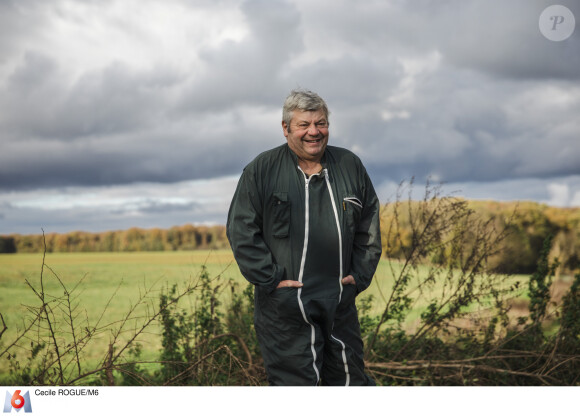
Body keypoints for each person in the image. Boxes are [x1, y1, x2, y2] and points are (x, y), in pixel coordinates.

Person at [226, 89, 382, 386]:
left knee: (351, 382)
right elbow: (241, 229)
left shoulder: (349, 165)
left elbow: (369, 226)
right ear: (286, 129)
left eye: (321, 123)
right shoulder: (263, 169)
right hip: (286, 308)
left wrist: (359, 276)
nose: (314, 132)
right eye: (304, 125)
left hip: (339, 304)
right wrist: (271, 279)